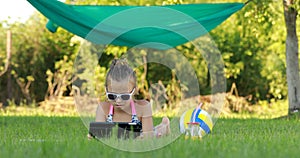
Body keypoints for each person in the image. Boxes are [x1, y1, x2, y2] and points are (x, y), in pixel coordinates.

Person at [93, 58, 170, 139]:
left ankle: (164, 127)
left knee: (156, 134)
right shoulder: (103, 108)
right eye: (112, 96)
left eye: (124, 96)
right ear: (106, 90)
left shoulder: (142, 108)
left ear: (134, 91)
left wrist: (143, 138)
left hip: (141, 132)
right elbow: (99, 134)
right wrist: (95, 136)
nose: (118, 101)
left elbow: (148, 135)